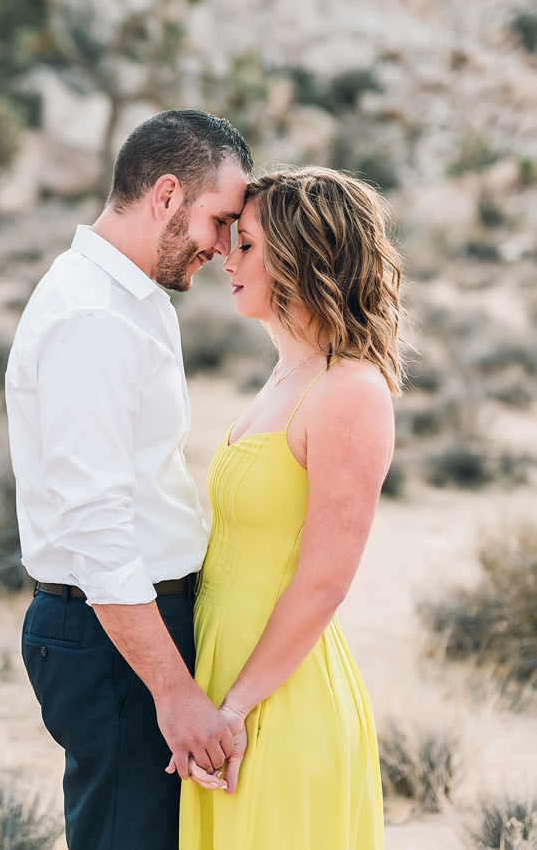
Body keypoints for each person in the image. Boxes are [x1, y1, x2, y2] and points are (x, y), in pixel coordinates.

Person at [6, 109, 253, 849]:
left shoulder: (131, 296)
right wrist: (173, 692)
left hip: (131, 627)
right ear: (168, 194)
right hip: (113, 635)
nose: (225, 245)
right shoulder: (94, 316)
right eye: (219, 220)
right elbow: (95, 525)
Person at [179, 166, 401, 849]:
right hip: (222, 676)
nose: (226, 259)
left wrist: (237, 707)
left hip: (276, 697)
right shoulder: (285, 374)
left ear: (301, 255)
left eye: (245, 245)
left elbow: (326, 578)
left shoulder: (350, 390)